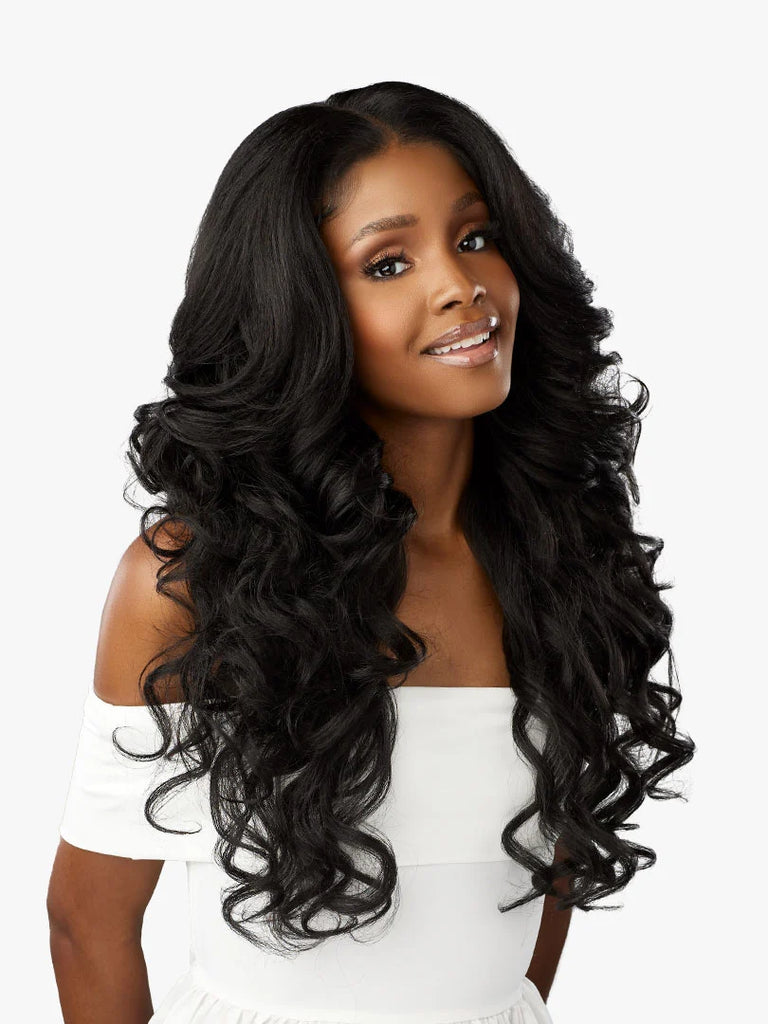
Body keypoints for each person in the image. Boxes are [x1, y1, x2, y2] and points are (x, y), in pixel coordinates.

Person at [47, 80, 695, 1023]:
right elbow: (87, 924)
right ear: (299, 309)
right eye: (389, 263)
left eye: (475, 238)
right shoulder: (191, 580)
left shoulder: (561, 563)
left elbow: (545, 882)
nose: (461, 285)